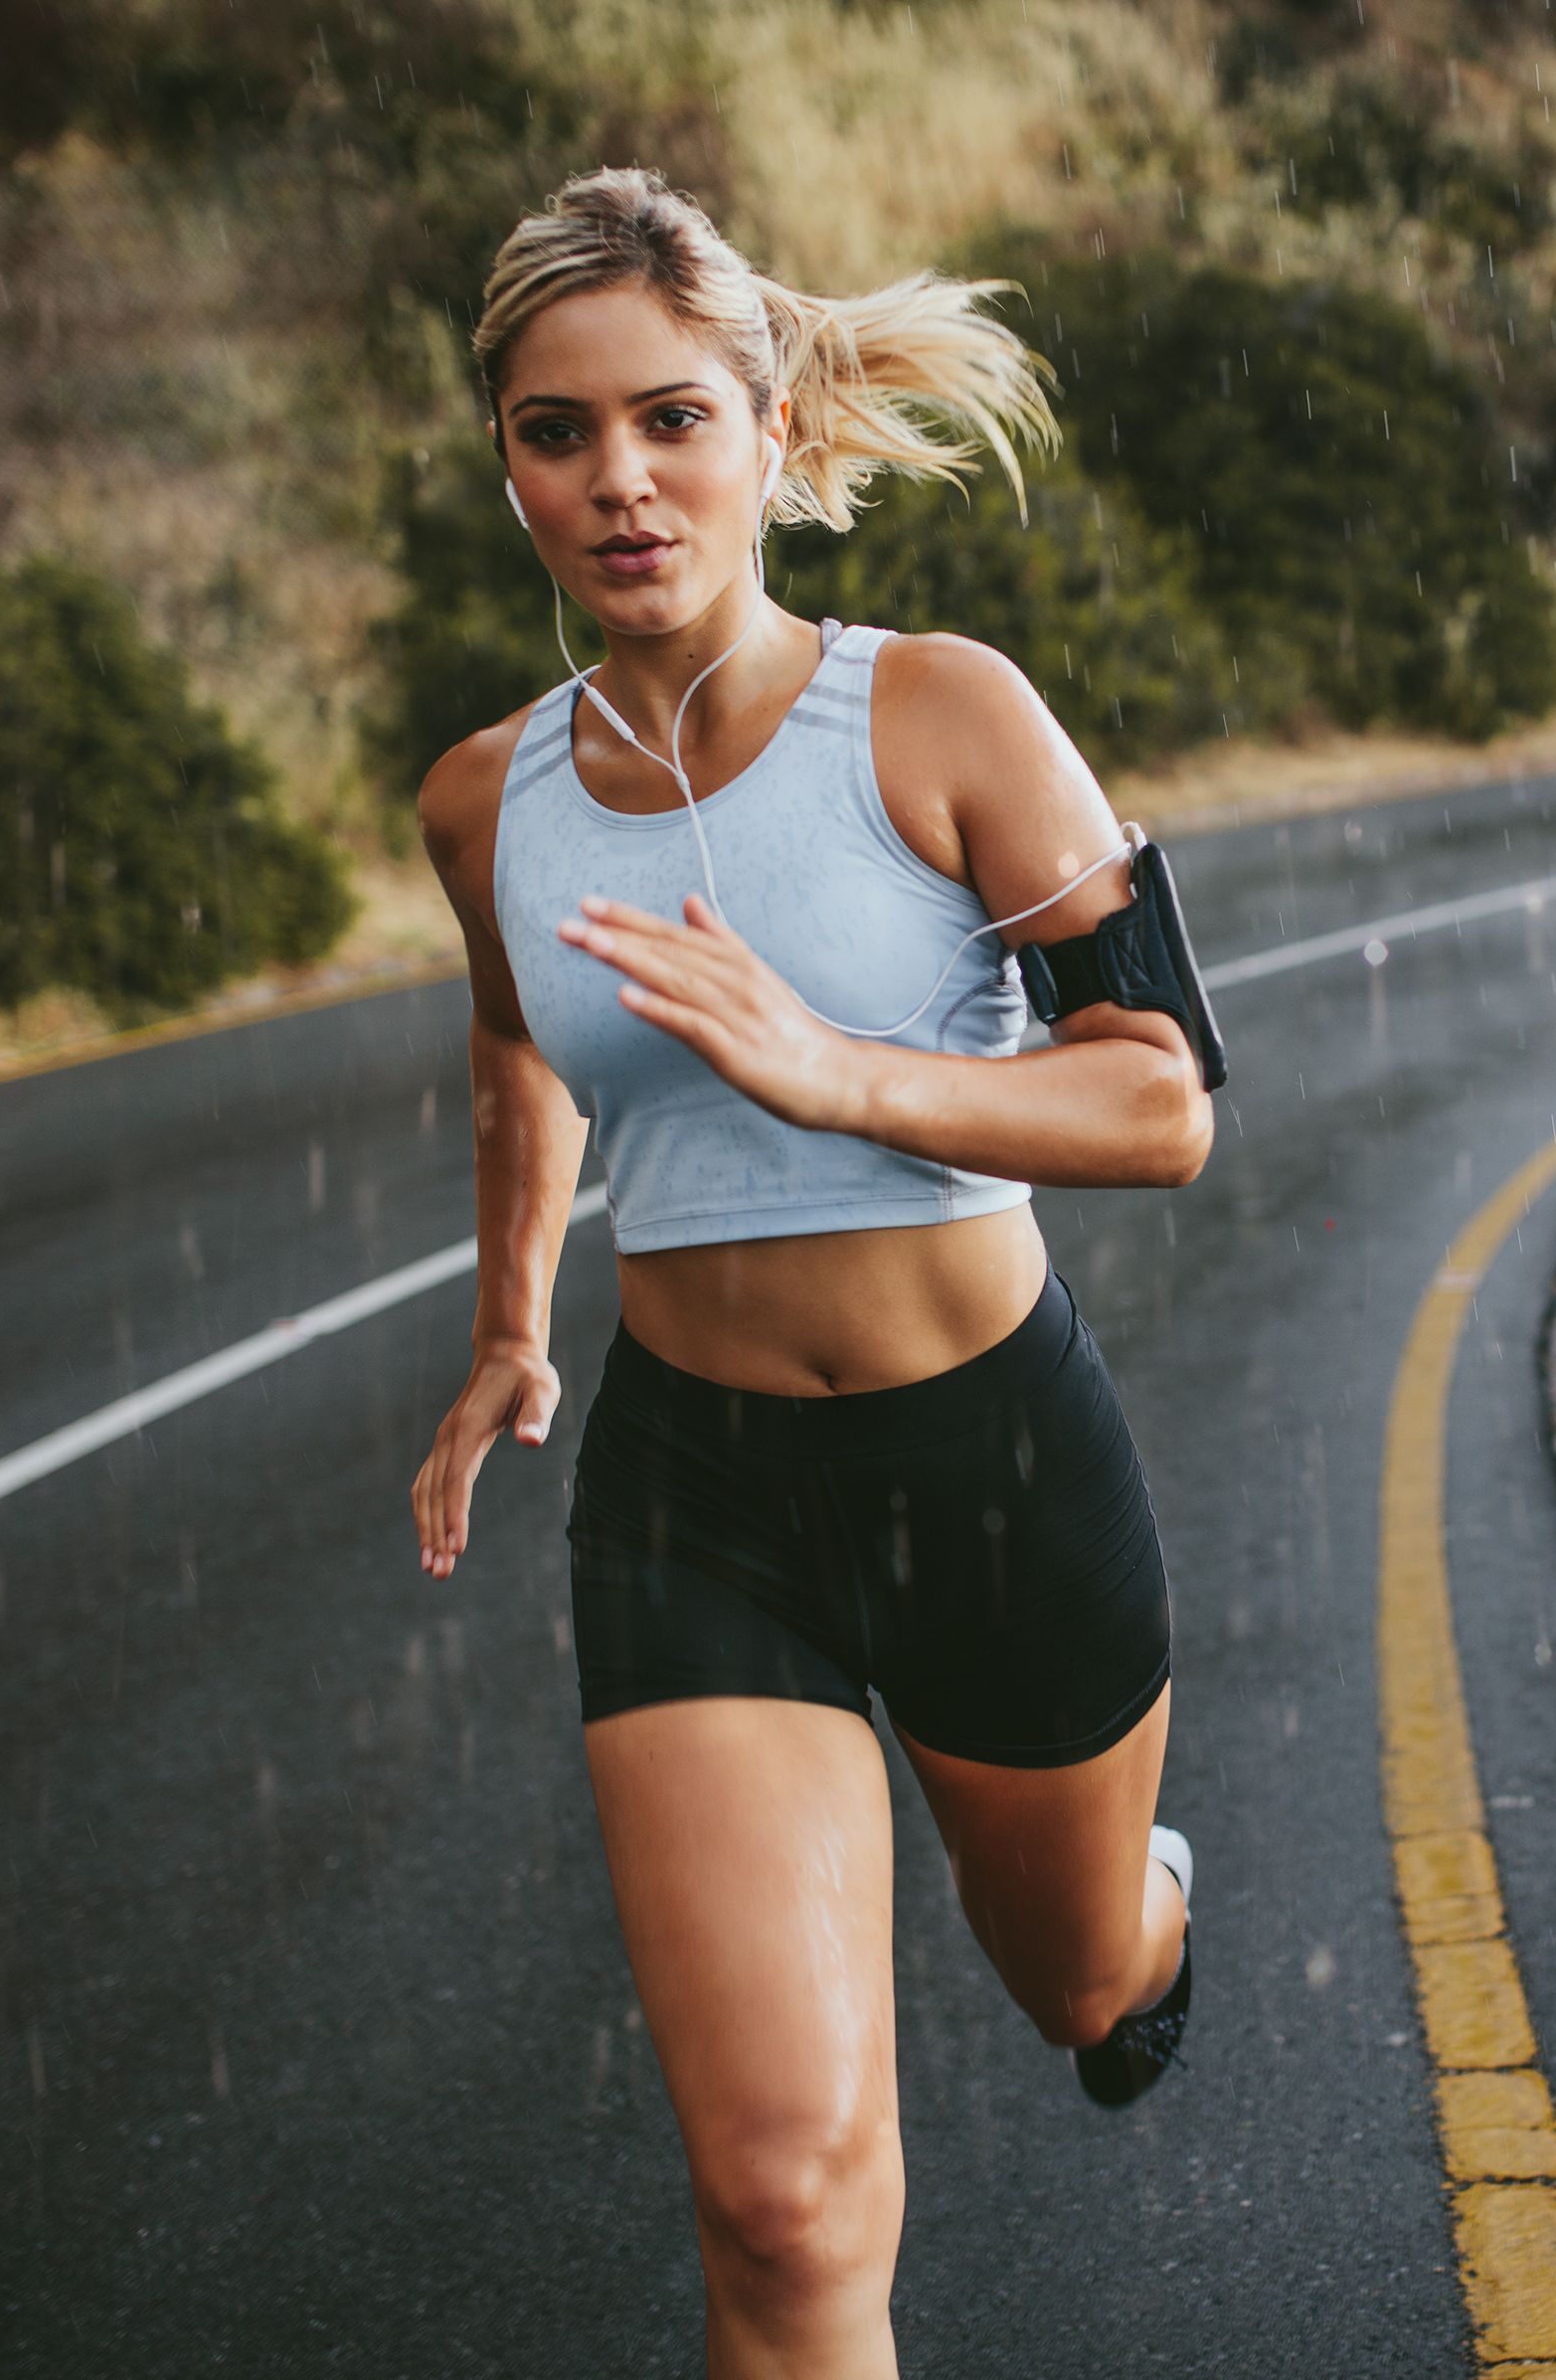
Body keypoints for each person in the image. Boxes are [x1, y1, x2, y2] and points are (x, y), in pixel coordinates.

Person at [406, 166, 1205, 2379]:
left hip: (990, 1464)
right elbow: (511, 1038)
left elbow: (1160, 1103)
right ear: (507, 465)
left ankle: (1151, 1923)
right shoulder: (486, 800)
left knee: (1072, 1985)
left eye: (669, 418)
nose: (619, 481)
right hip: (697, 1505)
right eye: (556, 434)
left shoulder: (943, 716)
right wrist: (505, 1322)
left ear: (768, 429)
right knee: (778, 2197)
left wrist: (841, 1073)